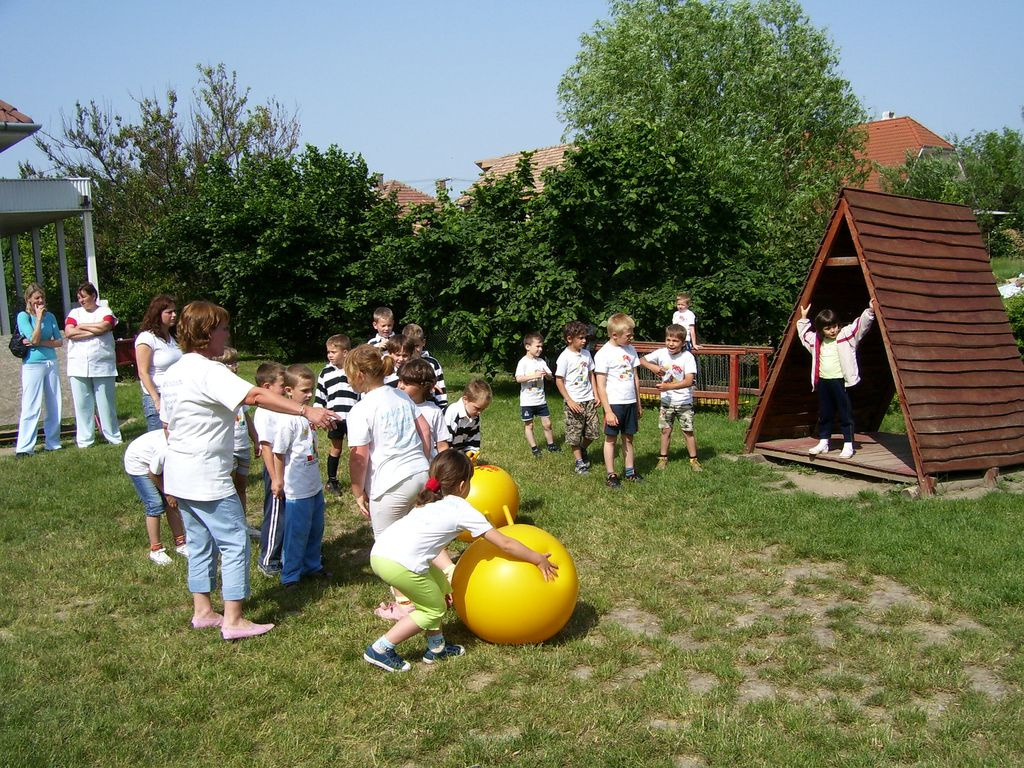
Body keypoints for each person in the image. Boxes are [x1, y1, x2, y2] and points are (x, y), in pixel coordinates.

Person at [159, 301, 338, 640]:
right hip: (206, 474)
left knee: (200, 542)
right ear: (207, 332)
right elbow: (255, 396)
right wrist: (306, 411)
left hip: (178, 471)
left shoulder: (174, 372)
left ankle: (203, 611)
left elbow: (168, 425)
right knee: (235, 541)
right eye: (223, 328)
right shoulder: (209, 371)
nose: (227, 334)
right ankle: (234, 619)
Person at [363, 451, 559, 672]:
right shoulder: (461, 509)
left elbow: (428, 546)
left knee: (442, 590)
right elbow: (504, 543)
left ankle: (437, 649)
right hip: (399, 564)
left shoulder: (428, 499)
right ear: (463, 484)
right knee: (433, 609)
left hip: (382, 553)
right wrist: (537, 558)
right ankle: (381, 649)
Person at [345, 344, 432, 538]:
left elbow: (359, 457)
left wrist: (358, 492)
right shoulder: (401, 395)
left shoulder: (360, 410)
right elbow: (425, 430)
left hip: (390, 485)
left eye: (348, 375)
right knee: (414, 538)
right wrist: (423, 462)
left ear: (359, 375)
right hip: (420, 474)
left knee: (386, 549)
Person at [797, 300, 876, 459]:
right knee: (825, 413)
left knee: (845, 413)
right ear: (821, 330)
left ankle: (848, 444)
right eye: (828, 328)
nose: (833, 331)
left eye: (834, 326)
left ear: (838, 325)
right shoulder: (816, 341)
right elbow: (804, 335)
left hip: (841, 382)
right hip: (824, 382)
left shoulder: (847, 335)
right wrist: (804, 318)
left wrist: (870, 311)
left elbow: (861, 325)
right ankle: (824, 442)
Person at [274, 365, 330, 588]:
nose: (309, 395)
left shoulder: (308, 416)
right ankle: (291, 575)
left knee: (316, 528)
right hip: (296, 489)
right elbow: (278, 453)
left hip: (313, 485)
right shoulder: (287, 420)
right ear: (289, 390)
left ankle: (312, 565)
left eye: (311, 390)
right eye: (304, 391)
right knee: (297, 532)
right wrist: (278, 481)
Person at [64, 282, 122, 448]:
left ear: (93, 296)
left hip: (103, 364)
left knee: (106, 403)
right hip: (78, 365)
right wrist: (94, 331)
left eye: (84, 296)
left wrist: (81, 327)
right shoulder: (74, 313)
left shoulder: (105, 311)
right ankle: (85, 440)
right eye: (79, 297)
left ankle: (113, 437)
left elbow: (106, 325)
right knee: (82, 405)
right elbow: (69, 332)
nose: (81, 300)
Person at [641, 324, 701, 471]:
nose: (671, 344)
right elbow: (641, 360)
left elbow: (688, 381)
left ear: (683, 343)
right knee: (665, 430)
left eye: (675, 341)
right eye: (668, 340)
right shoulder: (661, 353)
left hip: (684, 402)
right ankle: (663, 458)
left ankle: (694, 460)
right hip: (667, 401)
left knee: (688, 431)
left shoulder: (687, 357)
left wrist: (668, 387)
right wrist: (653, 367)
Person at [123, 429, 188, 565]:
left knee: (173, 502)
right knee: (155, 504)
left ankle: (181, 543)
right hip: (139, 463)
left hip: (156, 464)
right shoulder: (166, 449)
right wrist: (167, 493)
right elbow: (154, 473)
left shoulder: (184, 444)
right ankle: (156, 550)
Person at [594, 313, 643, 488]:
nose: (631, 337)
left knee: (628, 438)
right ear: (614, 335)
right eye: (628, 335)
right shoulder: (603, 354)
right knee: (611, 439)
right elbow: (601, 385)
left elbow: (635, 378)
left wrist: (638, 403)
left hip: (630, 402)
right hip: (614, 404)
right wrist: (608, 411)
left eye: (631, 334)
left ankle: (630, 471)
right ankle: (611, 474)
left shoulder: (631, 350)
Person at [14, 283, 63, 456]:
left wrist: (40, 342)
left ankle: (53, 442)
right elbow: (32, 338)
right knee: (31, 405)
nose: (40, 301)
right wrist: (39, 319)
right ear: (29, 300)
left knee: (54, 403)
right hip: (32, 364)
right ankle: (25, 447)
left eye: (42, 297)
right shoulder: (23, 317)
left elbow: (59, 341)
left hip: (50, 363)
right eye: (36, 298)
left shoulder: (51, 316)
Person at [252, 362, 287, 576]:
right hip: (275, 470)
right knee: (276, 513)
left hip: (287, 468)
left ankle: (286, 553)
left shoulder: (281, 406)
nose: (287, 389)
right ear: (267, 387)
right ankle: (269, 559)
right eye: (283, 385)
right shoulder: (264, 413)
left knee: (287, 513)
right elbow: (266, 447)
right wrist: (275, 478)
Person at [212, 347, 256, 513]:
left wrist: (256, 439)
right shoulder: (217, 392)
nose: (234, 366)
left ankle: (243, 522)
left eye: (235, 362)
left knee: (241, 487)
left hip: (243, 446)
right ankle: (229, 521)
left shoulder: (241, 390)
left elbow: (248, 418)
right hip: (227, 448)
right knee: (227, 490)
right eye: (229, 363)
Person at [555, 321, 601, 475]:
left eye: (585, 338)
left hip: (589, 399)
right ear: (570, 338)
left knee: (593, 432)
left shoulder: (586, 354)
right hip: (574, 402)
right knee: (574, 434)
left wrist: (596, 394)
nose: (584, 341)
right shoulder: (564, 357)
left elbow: (590, 375)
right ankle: (579, 462)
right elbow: (559, 380)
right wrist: (569, 400)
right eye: (581, 338)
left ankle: (582, 449)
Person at [315, 334, 355, 496]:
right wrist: (318, 412)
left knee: (357, 450)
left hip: (353, 417)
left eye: (333, 352)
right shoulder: (325, 372)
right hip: (335, 418)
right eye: (328, 352)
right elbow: (320, 395)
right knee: (336, 448)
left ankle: (359, 481)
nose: (330, 355)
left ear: (345, 353)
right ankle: (332, 480)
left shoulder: (354, 370)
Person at [134, 294, 181, 432]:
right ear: (157, 314)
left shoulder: (172, 339)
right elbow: (143, 372)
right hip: (158, 396)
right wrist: (156, 399)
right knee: (159, 441)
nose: (173, 315)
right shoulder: (147, 338)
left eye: (174, 311)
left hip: (175, 394)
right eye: (169, 312)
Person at [515, 332, 559, 457]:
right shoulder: (523, 362)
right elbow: (518, 378)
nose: (540, 349)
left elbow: (550, 377)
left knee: (547, 424)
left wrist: (548, 375)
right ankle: (534, 448)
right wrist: (533, 376)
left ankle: (551, 445)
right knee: (529, 425)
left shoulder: (541, 362)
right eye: (537, 346)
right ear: (528, 347)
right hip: (527, 401)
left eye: (541, 347)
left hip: (541, 400)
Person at [398, 358, 448, 457]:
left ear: (424, 386)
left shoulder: (434, 411)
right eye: (400, 381)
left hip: (426, 465)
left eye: (407, 383)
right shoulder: (395, 407)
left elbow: (442, 445)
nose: (401, 386)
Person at [440, 378, 492, 460]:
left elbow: (473, 440)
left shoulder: (475, 416)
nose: (479, 412)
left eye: (482, 409)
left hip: (458, 454)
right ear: (465, 400)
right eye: (477, 408)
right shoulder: (452, 413)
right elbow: (443, 444)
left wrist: (471, 456)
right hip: (442, 454)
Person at [402, 323, 447, 406]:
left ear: (423, 342)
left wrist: (442, 408)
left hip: (428, 407)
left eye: (416, 346)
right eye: (410, 346)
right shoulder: (401, 363)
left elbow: (441, 394)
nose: (413, 350)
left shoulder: (433, 364)